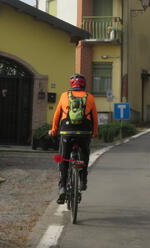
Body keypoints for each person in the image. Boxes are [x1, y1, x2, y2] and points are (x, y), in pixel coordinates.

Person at [49, 73, 99, 203]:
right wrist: (95, 132)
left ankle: (62, 188)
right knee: (85, 154)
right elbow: (94, 117)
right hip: (84, 132)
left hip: (67, 132)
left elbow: (57, 115)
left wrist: (54, 130)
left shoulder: (64, 96)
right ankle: (83, 180)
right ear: (84, 84)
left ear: (71, 85)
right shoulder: (90, 97)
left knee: (63, 159)